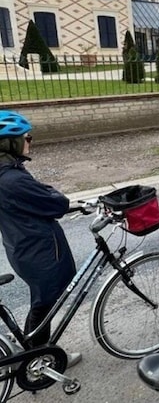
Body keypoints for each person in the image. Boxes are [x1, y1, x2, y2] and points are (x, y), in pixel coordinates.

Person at [0, 111, 81, 367]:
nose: (30, 141)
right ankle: (39, 358)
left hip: (23, 247)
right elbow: (57, 203)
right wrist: (51, 193)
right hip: (40, 253)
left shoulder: (10, 172)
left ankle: (34, 352)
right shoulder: (12, 180)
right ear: (8, 143)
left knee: (43, 302)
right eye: (26, 137)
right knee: (44, 304)